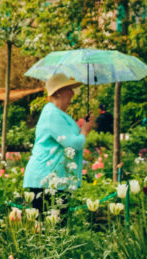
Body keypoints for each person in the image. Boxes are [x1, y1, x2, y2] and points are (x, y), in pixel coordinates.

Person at [23, 73, 94, 221]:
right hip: (45, 180)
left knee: (54, 230)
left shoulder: (59, 114)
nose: (73, 93)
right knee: (47, 230)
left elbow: (70, 138)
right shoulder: (52, 114)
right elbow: (74, 144)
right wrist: (85, 131)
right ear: (59, 91)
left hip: (55, 180)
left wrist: (83, 129)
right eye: (69, 89)